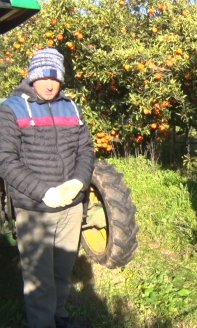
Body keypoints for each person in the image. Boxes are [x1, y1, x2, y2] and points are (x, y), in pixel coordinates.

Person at [0, 48, 94, 328]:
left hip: (71, 207)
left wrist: (79, 181)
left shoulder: (71, 107)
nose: (50, 84)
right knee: (40, 281)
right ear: (32, 77)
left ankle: (60, 317)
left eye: (56, 78)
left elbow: (86, 149)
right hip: (35, 209)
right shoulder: (12, 109)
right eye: (43, 77)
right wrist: (44, 192)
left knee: (62, 272)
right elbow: (5, 160)